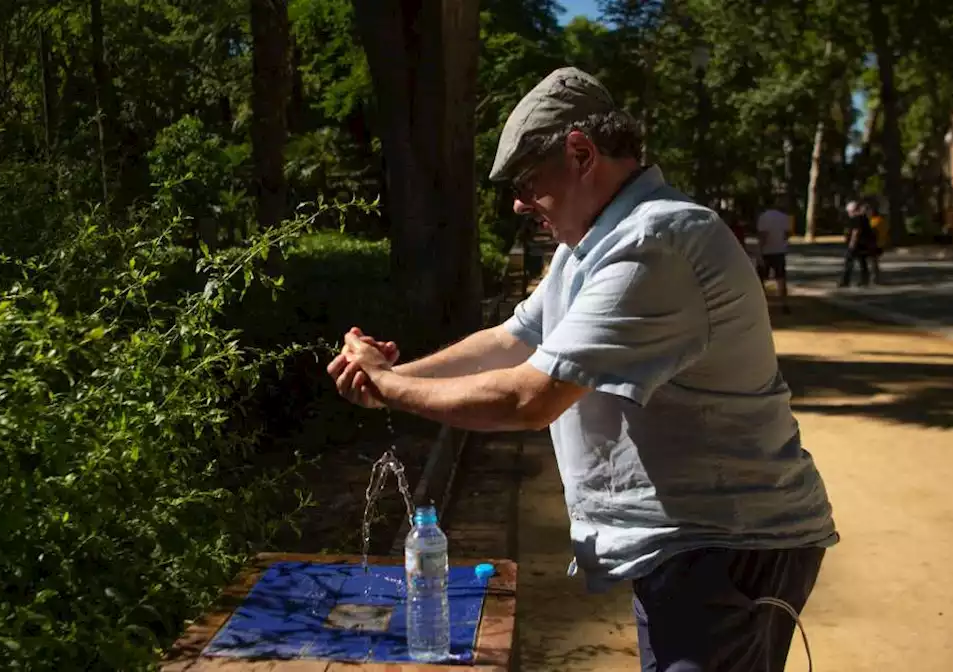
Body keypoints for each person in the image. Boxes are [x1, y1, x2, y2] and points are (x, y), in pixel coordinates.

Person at [326, 67, 837, 671]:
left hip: (727, 547)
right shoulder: (587, 248)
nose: (519, 202)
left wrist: (388, 388)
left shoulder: (655, 242)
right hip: (691, 545)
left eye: (527, 179)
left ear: (581, 153)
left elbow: (530, 397)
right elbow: (513, 339)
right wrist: (397, 372)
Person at [755, 201, 792, 314]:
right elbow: (787, 234)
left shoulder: (763, 217)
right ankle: (784, 303)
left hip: (767, 251)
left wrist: (759, 252)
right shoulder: (784, 217)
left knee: (761, 279)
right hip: (780, 251)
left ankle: (762, 304)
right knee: (781, 278)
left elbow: (763, 236)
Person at [839, 201, 874, 287]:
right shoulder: (864, 218)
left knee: (849, 262)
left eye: (849, 212)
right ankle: (865, 280)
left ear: (852, 210)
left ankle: (845, 281)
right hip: (864, 244)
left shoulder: (856, 219)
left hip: (857, 244)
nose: (849, 214)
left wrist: (852, 243)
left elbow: (856, 231)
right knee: (863, 263)